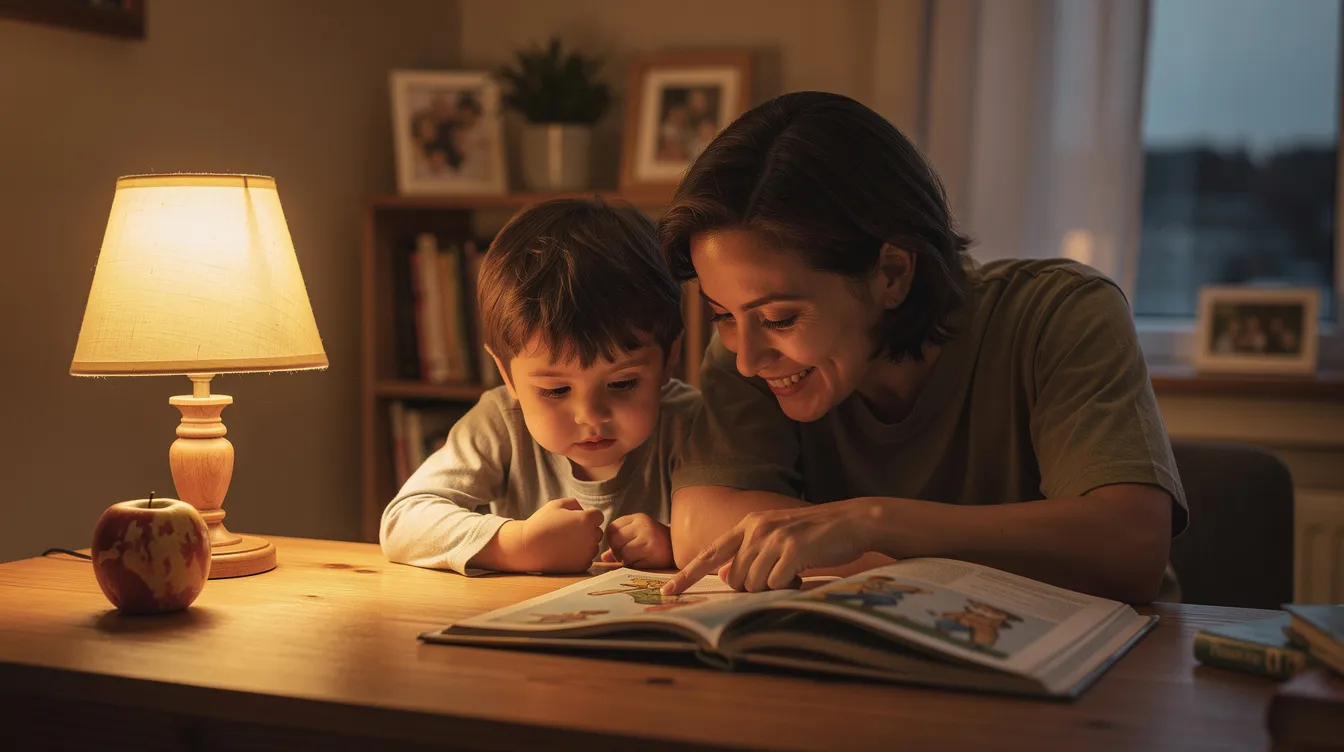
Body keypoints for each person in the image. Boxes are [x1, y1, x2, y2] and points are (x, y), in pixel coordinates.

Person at [657, 92, 1187, 604]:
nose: (747, 358)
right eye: (722, 314)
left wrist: (873, 525)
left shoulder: (1060, 313)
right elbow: (701, 523)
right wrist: (898, 573)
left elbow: (1132, 544)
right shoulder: (751, 357)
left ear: (892, 272)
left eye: (780, 318)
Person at [380, 198, 700, 574]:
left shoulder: (691, 425)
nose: (590, 416)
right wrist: (517, 544)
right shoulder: (502, 422)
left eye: (623, 382)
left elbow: (746, 530)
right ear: (506, 373)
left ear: (669, 357)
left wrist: (677, 542)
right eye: (556, 390)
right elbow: (403, 521)